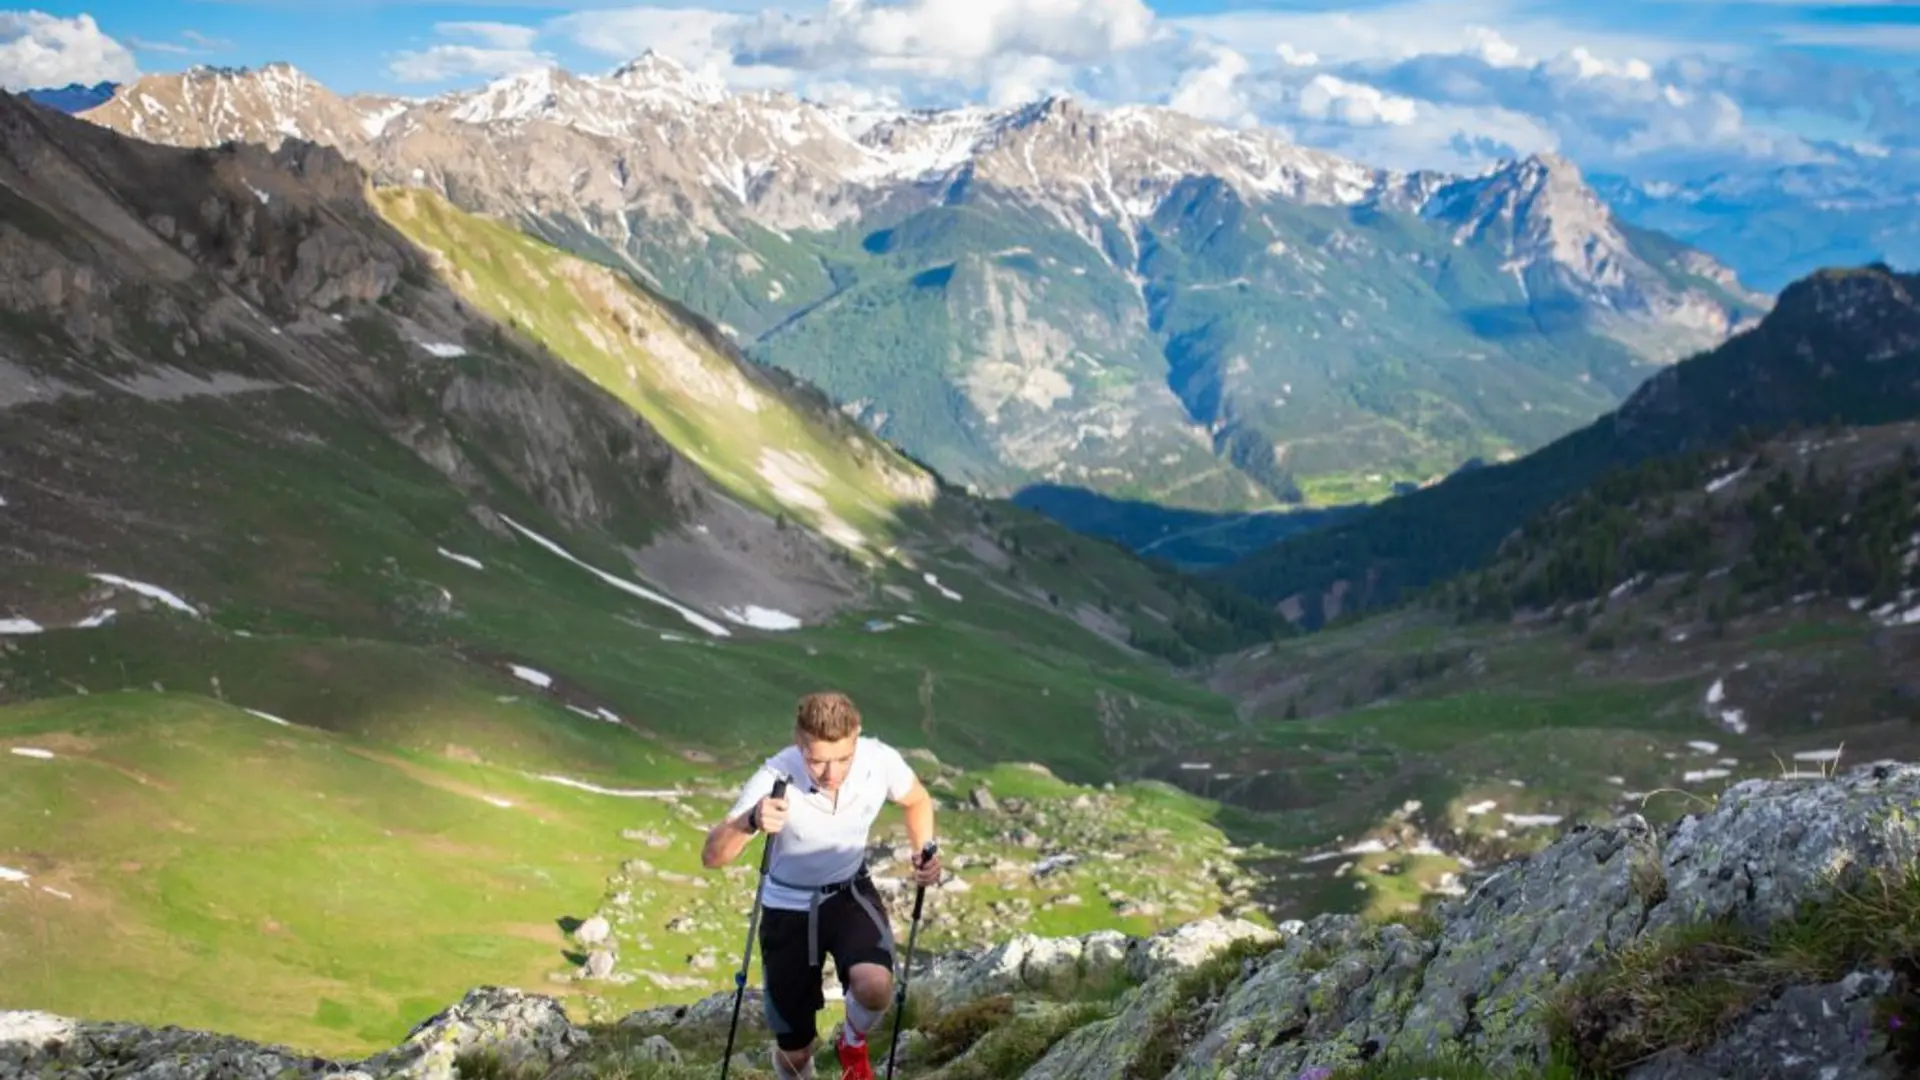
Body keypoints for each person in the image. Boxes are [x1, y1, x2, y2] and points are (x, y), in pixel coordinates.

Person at [703, 690, 942, 1080]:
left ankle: (851, 1041)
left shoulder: (878, 760)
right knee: (796, 1054)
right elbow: (712, 856)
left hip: (849, 892)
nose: (832, 775)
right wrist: (751, 820)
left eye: (843, 759)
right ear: (799, 743)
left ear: (857, 737)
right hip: (788, 908)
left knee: (876, 986)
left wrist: (925, 850)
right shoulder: (774, 777)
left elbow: (916, 800)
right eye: (817, 761)